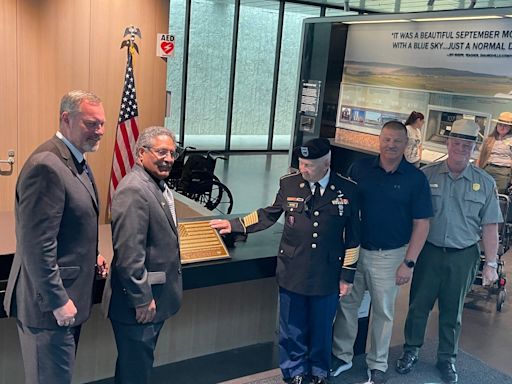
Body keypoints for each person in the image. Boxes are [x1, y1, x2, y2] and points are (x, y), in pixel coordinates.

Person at [211, 138, 360, 384]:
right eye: (301, 163)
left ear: (327, 163)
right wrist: (235, 224)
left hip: (327, 271)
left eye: (310, 165)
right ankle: (295, 371)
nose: (304, 170)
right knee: (293, 326)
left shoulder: (347, 189)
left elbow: (354, 237)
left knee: (322, 326)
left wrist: (347, 276)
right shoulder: (290, 184)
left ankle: (319, 371)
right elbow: (268, 214)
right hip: (293, 267)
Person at [3, 90, 107, 384]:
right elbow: (37, 245)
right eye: (91, 123)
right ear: (66, 118)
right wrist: (58, 300)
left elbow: (67, 227)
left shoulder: (76, 161)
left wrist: (92, 255)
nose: (99, 131)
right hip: (49, 307)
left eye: (101, 124)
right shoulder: (47, 166)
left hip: (67, 300)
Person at [395, 119, 502, 384]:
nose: (461, 148)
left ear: (474, 148)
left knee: (452, 312)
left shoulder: (485, 183)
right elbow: (410, 218)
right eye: (457, 142)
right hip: (428, 252)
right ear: (448, 143)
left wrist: (490, 263)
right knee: (418, 305)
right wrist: (406, 256)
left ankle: (447, 358)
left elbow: (490, 227)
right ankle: (411, 351)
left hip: (463, 255)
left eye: (468, 144)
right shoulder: (426, 176)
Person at [331, 120, 433, 384]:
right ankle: (342, 357)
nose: (391, 145)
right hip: (355, 252)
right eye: (386, 139)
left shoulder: (415, 178)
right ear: (379, 140)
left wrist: (408, 262)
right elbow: (344, 207)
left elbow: (422, 223)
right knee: (347, 306)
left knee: (383, 313)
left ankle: (377, 365)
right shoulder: (360, 168)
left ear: (406, 144)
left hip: (390, 256)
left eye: (397, 140)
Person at [102, 126, 183, 384]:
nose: (168, 158)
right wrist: (141, 298)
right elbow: (129, 254)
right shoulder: (134, 189)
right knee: (135, 372)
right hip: (139, 304)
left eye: (172, 153)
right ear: (140, 154)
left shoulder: (156, 186)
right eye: (161, 152)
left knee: (138, 367)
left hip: (153, 299)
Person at [476, 111, 512, 193]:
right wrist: (477, 170)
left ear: (510, 127)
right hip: (487, 168)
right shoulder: (490, 138)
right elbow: (481, 156)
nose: (502, 127)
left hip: (503, 171)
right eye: (500, 124)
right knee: (480, 192)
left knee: (496, 195)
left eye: (505, 125)